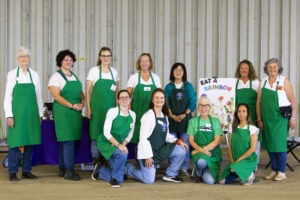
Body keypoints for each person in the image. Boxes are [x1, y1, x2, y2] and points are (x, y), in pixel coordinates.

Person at [126, 88, 188, 184]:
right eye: (157, 98)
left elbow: (166, 136)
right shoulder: (148, 116)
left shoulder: (165, 116)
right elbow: (143, 138)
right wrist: (147, 156)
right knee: (149, 180)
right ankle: (128, 168)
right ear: (153, 100)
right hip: (148, 152)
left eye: (162, 98)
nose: (159, 100)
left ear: (164, 100)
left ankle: (170, 174)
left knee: (181, 150)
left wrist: (178, 141)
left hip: (160, 149)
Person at [4, 46, 43, 182]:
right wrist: (9, 115)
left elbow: (39, 97)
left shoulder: (35, 75)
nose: (24, 59)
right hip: (17, 115)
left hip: (32, 115)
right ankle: (13, 172)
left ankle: (26, 171)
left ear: (29, 59)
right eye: (21, 57)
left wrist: (40, 114)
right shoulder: (12, 74)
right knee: (15, 143)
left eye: (26, 56)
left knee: (29, 143)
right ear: (17, 59)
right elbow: (7, 97)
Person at [257, 58, 296, 181]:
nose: (272, 69)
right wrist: (259, 119)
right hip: (267, 118)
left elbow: (292, 101)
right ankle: (274, 170)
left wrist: (293, 118)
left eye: (274, 66)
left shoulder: (284, 81)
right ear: (266, 69)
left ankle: (282, 171)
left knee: (279, 144)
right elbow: (258, 102)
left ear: (278, 68)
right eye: (270, 67)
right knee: (269, 144)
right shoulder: (262, 82)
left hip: (281, 118)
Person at [49, 49, 85, 181]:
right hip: (64, 112)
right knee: (68, 140)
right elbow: (56, 96)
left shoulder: (74, 76)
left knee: (68, 141)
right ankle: (69, 172)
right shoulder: (56, 77)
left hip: (75, 113)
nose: (69, 62)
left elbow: (81, 93)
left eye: (71, 59)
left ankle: (63, 168)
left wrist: (82, 103)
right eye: (66, 59)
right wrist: (71, 105)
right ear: (60, 62)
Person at [91, 90, 136, 187]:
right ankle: (116, 180)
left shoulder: (133, 115)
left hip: (119, 143)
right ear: (118, 100)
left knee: (118, 166)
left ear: (130, 99)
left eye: (126, 97)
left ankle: (101, 170)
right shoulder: (112, 111)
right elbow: (106, 132)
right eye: (121, 97)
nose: (124, 99)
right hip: (106, 141)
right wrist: (118, 145)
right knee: (123, 155)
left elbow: (130, 134)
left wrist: (122, 145)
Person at [86, 47, 120, 165]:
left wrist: (117, 110)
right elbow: (88, 91)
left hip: (110, 110)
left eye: (108, 56)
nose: (106, 58)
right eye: (103, 55)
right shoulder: (93, 71)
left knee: (108, 135)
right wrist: (89, 109)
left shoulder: (114, 72)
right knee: (96, 135)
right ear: (100, 57)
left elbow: (117, 93)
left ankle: (107, 162)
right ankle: (96, 163)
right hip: (96, 110)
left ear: (110, 58)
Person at [165, 62, 196, 176]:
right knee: (172, 144)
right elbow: (166, 102)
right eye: (176, 70)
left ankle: (184, 167)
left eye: (181, 70)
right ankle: (173, 167)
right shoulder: (169, 87)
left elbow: (193, 102)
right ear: (172, 72)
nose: (178, 72)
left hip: (185, 120)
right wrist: (171, 114)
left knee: (185, 143)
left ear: (184, 73)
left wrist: (185, 113)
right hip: (172, 119)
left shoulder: (188, 86)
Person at [219, 103, 258, 186]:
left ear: (248, 113)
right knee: (221, 181)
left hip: (247, 159)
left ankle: (250, 175)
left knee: (232, 170)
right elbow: (230, 146)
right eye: (239, 111)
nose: (241, 114)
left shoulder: (252, 129)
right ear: (236, 114)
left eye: (244, 111)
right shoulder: (232, 128)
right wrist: (232, 160)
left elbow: (252, 148)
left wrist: (239, 160)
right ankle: (239, 174)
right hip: (235, 159)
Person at [127, 53, 161, 144]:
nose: (144, 63)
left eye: (147, 61)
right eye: (142, 61)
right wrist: (130, 112)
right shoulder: (133, 77)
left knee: (151, 132)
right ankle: (139, 157)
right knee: (137, 133)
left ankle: (150, 157)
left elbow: (160, 96)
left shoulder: (156, 77)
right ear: (139, 63)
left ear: (150, 63)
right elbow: (128, 97)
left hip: (152, 111)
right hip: (137, 111)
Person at [188, 95, 223, 184]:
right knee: (201, 162)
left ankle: (207, 170)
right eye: (201, 105)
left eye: (206, 105)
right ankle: (199, 171)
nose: (204, 108)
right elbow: (191, 140)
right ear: (198, 107)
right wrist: (201, 151)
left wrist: (200, 150)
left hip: (212, 153)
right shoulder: (193, 121)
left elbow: (217, 141)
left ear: (210, 107)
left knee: (210, 181)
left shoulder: (215, 121)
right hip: (200, 154)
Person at [234, 59, 261, 174]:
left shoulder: (255, 82)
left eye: (246, 68)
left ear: (250, 69)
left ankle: (253, 169)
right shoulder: (234, 82)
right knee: (240, 141)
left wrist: (259, 118)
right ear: (239, 70)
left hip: (253, 116)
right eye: (241, 68)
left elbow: (260, 100)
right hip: (238, 116)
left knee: (255, 142)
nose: (244, 70)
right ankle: (239, 166)